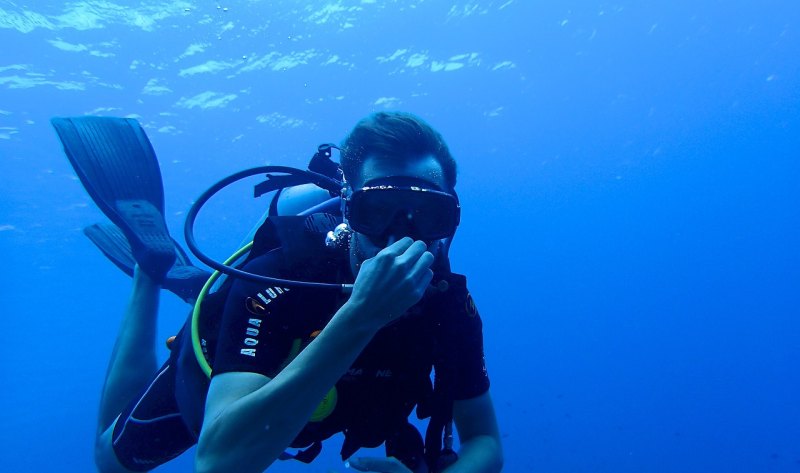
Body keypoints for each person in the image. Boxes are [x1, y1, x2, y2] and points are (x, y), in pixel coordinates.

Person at [53, 112, 503, 473]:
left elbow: (484, 441)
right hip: (237, 349)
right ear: (349, 207)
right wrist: (362, 315)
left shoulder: (448, 307)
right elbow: (219, 463)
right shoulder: (279, 276)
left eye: (427, 214)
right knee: (110, 463)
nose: (399, 238)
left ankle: (179, 277)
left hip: (312, 406)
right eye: (379, 211)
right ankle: (150, 271)